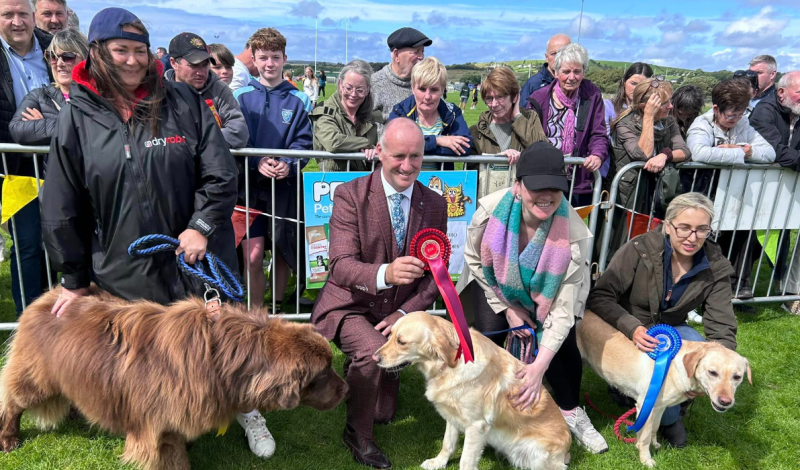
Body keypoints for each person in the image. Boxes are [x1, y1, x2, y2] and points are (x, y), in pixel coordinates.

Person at [311, 118, 448, 469]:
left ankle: (369, 379)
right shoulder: (350, 195)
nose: (407, 165)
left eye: (415, 156)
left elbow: (437, 276)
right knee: (372, 352)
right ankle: (357, 434)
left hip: (398, 311)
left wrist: (405, 314)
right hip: (350, 305)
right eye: (399, 155)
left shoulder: (434, 203)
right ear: (380, 153)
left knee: (384, 412)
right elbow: (340, 266)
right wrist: (385, 273)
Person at [455, 141, 608, 454]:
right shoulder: (487, 213)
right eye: (537, 187)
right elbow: (474, 261)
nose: (547, 196)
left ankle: (569, 409)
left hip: (548, 300)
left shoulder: (572, 238)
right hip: (495, 288)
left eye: (554, 187)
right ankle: (488, 413)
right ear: (518, 185)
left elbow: (563, 311)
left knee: (561, 343)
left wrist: (538, 367)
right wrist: (509, 308)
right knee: (486, 333)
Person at [587, 192, 738, 448]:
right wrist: (631, 327)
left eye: (702, 229)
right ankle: (625, 386)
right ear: (668, 225)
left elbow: (722, 327)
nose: (692, 238)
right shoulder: (639, 248)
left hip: (671, 332)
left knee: (695, 340)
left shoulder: (716, 265)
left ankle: (671, 415)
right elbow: (601, 296)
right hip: (628, 326)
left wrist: (704, 375)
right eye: (684, 228)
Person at [235, 27, 312, 320]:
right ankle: (254, 313)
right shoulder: (240, 97)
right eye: (263, 57)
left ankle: (278, 310)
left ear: (284, 59)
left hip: (283, 189)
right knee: (252, 255)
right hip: (249, 189)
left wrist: (288, 164)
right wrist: (257, 162)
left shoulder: (299, 99)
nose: (269, 63)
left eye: (275, 57)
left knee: (281, 249)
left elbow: (304, 143)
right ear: (254, 58)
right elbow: (238, 138)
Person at [686, 78, 775, 311]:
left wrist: (740, 150)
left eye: (740, 113)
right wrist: (741, 153)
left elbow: (769, 153)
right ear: (715, 108)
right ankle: (700, 295)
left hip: (737, 196)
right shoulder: (701, 124)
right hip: (706, 194)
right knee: (707, 244)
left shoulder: (743, 123)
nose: (735, 119)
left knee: (744, 238)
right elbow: (699, 152)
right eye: (730, 115)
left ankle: (738, 288)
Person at [0, 0, 53, 315]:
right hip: (14, 168)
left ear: (34, 16)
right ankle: (30, 325)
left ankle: (62, 321)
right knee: (28, 245)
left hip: (62, 164)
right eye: (7, 14)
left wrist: (41, 127)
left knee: (59, 246)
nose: (16, 22)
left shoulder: (55, 50)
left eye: (22, 14)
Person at [607, 77, 690, 261]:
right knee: (624, 245)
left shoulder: (669, 122)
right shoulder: (624, 124)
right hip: (629, 195)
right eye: (665, 103)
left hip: (656, 195)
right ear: (647, 106)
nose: (670, 107)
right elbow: (643, 154)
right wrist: (649, 118)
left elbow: (684, 151)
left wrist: (665, 155)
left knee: (653, 244)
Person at [528, 43, 607, 207]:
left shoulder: (592, 95)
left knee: (573, 229)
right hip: (545, 175)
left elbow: (598, 133)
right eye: (566, 71)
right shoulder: (539, 98)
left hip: (578, 178)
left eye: (577, 71)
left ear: (583, 72)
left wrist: (597, 154)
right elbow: (529, 138)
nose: (572, 77)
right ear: (556, 73)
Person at [750, 71, 800, 312]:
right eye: (799, 92)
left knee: (788, 236)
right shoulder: (763, 110)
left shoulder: (796, 110)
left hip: (790, 186)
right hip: (757, 187)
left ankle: (791, 292)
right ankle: (737, 288)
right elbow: (775, 149)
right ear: (781, 92)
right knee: (748, 239)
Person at [165, 32, 248, 149]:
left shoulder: (220, 89)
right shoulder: (159, 92)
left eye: (205, 65)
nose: (201, 72)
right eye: (193, 65)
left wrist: (192, 141)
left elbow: (239, 133)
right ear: (173, 63)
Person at [387, 56, 472, 169]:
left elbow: (465, 146)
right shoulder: (400, 112)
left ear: (442, 89)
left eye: (434, 90)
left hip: (440, 184)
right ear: (412, 88)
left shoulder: (452, 113)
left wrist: (414, 147)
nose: (427, 96)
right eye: (422, 89)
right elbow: (393, 145)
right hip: (404, 183)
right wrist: (437, 140)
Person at [10, 28, 87, 145]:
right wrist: (76, 127)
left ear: (86, 59)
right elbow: (18, 129)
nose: (60, 63)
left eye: (68, 57)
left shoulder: (101, 95)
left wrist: (43, 125)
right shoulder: (39, 96)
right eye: (53, 56)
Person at [469, 66, 546, 168]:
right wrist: (497, 160)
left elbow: (544, 152)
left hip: (523, 184)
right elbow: (471, 172)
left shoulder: (530, 118)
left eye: (500, 97)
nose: (494, 104)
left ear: (514, 97)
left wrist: (517, 118)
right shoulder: (476, 131)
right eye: (489, 98)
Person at [309, 59, 378, 171]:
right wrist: (367, 144)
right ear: (340, 85)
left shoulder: (372, 117)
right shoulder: (325, 111)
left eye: (360, 90)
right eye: (349, 88)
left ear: (368, 90)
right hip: (333, 183)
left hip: (365, 182)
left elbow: (382, 149)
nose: (353, 94)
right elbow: (333, 142)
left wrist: (374, 153)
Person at [372, 27, 431, 123]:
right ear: (396, 55)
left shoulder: (427, 83)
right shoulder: (374, 84)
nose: (421, 56)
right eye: (416, 51)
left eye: (422, 51)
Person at [519, 33, 571, 109]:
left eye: (563, 53)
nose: (558, 58)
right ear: (546, 57)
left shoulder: (578, 85)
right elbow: (522, 115)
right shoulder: (533, 84)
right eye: (554, 54)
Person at [604, 62, 653, 136]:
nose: (637, 89)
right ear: (624, 82)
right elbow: (603, 136)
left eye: (642, 85)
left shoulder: (652, 110)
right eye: (633, 83)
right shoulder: (608, 106)